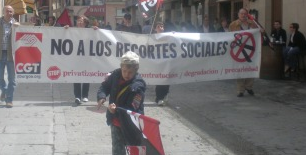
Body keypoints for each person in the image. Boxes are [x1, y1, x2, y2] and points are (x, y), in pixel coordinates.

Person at [97, 51, 146, 155]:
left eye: (130, 72)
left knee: (134, 148)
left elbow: (133, 108)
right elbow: (104, 86)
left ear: (136, 70)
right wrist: (102, 96)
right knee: (117, 150)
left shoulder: (138, 87)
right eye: (124, 71)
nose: (126, 74)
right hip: (115, 121)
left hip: (131, 124)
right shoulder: (115, 74)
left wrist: (116, 109)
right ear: (121, 68)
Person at [229, 8, 259, 97]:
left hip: (251, 50)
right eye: (241, 13)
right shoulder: (233, 25)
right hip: (238, 50)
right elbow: (229, 37)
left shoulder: (252, 24)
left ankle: (249, 87)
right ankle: (240, 89)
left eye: (245, 14)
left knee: (251, 68)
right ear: (238, 14)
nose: (243, 15)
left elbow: (257, 34)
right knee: (240, 69)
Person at [64, 15, 91, 105]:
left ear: (86, 23)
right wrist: (65, 30)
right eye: (78, 21)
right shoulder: (72, 31)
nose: (79, 22)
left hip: (87, 58)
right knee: (76, 76)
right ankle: (77, 96)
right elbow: (64, 36)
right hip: (76, 58)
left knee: (87, 75)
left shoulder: (91, 32)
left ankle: (85, 95)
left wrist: (96, 30)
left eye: (81, 21)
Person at [0, 5, 20, 108]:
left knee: (12, 79)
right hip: (0, 54)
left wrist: (19, 26)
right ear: (3, 12)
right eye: (7, 11)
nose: (9, 13)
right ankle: (5, 90)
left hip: (11, 55)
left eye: (11, 11)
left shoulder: (16, 25)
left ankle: (9, 99)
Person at [153, 22, 170, 106]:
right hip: (157, 62)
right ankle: (159, 98)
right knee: (159, 79)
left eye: (162, 26)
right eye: (158, 26)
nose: (160, 28)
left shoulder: (168, 37)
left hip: (166, 62)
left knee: (166, 79)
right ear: (155, 29)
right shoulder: (153, 38)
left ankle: (165, 94)